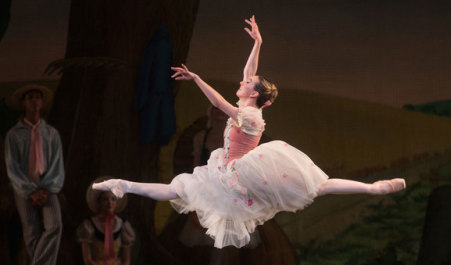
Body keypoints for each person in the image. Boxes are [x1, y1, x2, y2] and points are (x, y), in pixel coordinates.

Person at [93, 16, 405, 251]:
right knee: (178, 189)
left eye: (247, 84)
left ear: (254, 94)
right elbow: (249, 72)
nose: (243, 81)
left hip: (241, 174)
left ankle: (373, 189)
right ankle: (122, 184)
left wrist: (197, 78)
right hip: (226, 169)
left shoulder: (249, 113)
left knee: (317, 186)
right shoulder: (250, 99)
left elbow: (218, 102)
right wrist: (257, 43)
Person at [4, 84, 64, 265]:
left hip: (47, 186)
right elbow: (13, 167)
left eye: (38, 97)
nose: (34, 101)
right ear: (24, 103)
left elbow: (57, 163)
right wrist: (29, 190)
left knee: (54, 225)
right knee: (31, 232)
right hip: (24, 188)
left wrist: (46, 189)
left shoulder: (51, 133)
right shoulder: (14, 134)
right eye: (30, 97)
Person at [71, 178, 170, 265]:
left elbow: (126, 259)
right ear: (99, 202)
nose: (109, 203)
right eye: (105, 199)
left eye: (113, 199)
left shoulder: (121, 225)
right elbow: (88, 260)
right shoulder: (89, 225)